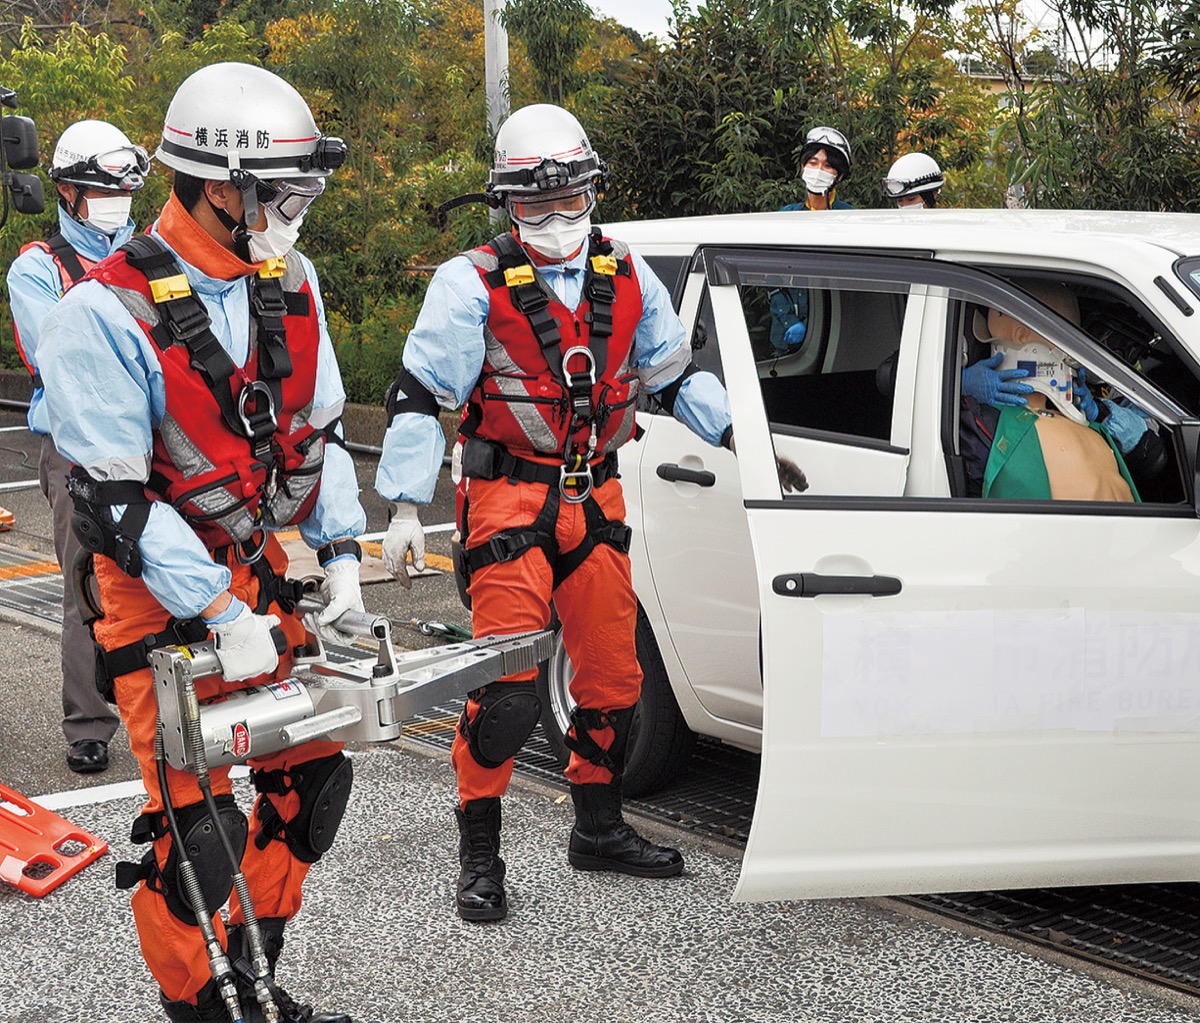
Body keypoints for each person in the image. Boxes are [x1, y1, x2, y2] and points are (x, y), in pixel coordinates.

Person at [38, 63, 364, 1023]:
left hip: (256, 579)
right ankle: (203, 1008)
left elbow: (322, 431)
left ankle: (260, 982)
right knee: (198, 830)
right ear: (219, 185)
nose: (295, 211)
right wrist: (217, 611)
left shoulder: (288, 283)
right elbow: (115, 504)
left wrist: (340, 563)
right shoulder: (101, 313)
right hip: (156, 600)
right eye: (282, 191)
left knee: (309, 784)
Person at [376, 102, 751, 924]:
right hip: (508, 494)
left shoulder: (625, 272)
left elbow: (673, 375)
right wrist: (405, 506)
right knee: (507, 687)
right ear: (506, 206)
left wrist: (743, 442)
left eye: (570, 200)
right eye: (533, 205)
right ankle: (479, 851)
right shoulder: (468, 282)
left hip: (597, 494)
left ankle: (599, 826)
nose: (554, 220)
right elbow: (419, 393)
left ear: (593, 192)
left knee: (615, 677)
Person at [7, 118, 146, 774]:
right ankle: (89, 723)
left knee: (164, 582)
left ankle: (166, 711)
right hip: (76, 450)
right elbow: (58, 356)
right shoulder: (38, 268)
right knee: (88, 585)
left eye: (124, 188)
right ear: (66, 191)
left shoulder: (152, 253)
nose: (116, 201)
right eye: (101, 188)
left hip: (153, 442)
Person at [960, 281, 1162, 500]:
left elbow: (1152, 455)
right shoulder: (1097, 436)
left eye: (997, 311)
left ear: (1020, 335)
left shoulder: (984, 430)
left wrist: (958, 387)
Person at [770, 126, 855, 350]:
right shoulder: (786, 217)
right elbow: (771, 277)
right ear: (802, 167)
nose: (819, 170)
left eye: (828, 166)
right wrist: (790, 321)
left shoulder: (851, 219)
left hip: (834, 338)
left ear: (840, 175)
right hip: (785, 342)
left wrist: (813, 324)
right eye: (813, 163)